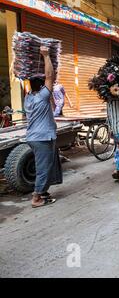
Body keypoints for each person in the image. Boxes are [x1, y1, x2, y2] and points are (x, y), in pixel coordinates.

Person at [25, 46, 61, 208]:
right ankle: (36, 197)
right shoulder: (42, 97)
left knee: (48, 165)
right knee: (44, 168)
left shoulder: (29, 97)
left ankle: (44, 191)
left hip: (35, 137)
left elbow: (40, 78)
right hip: (42, 138)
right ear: (41, 86)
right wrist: (46, 56)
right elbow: (50, 75)